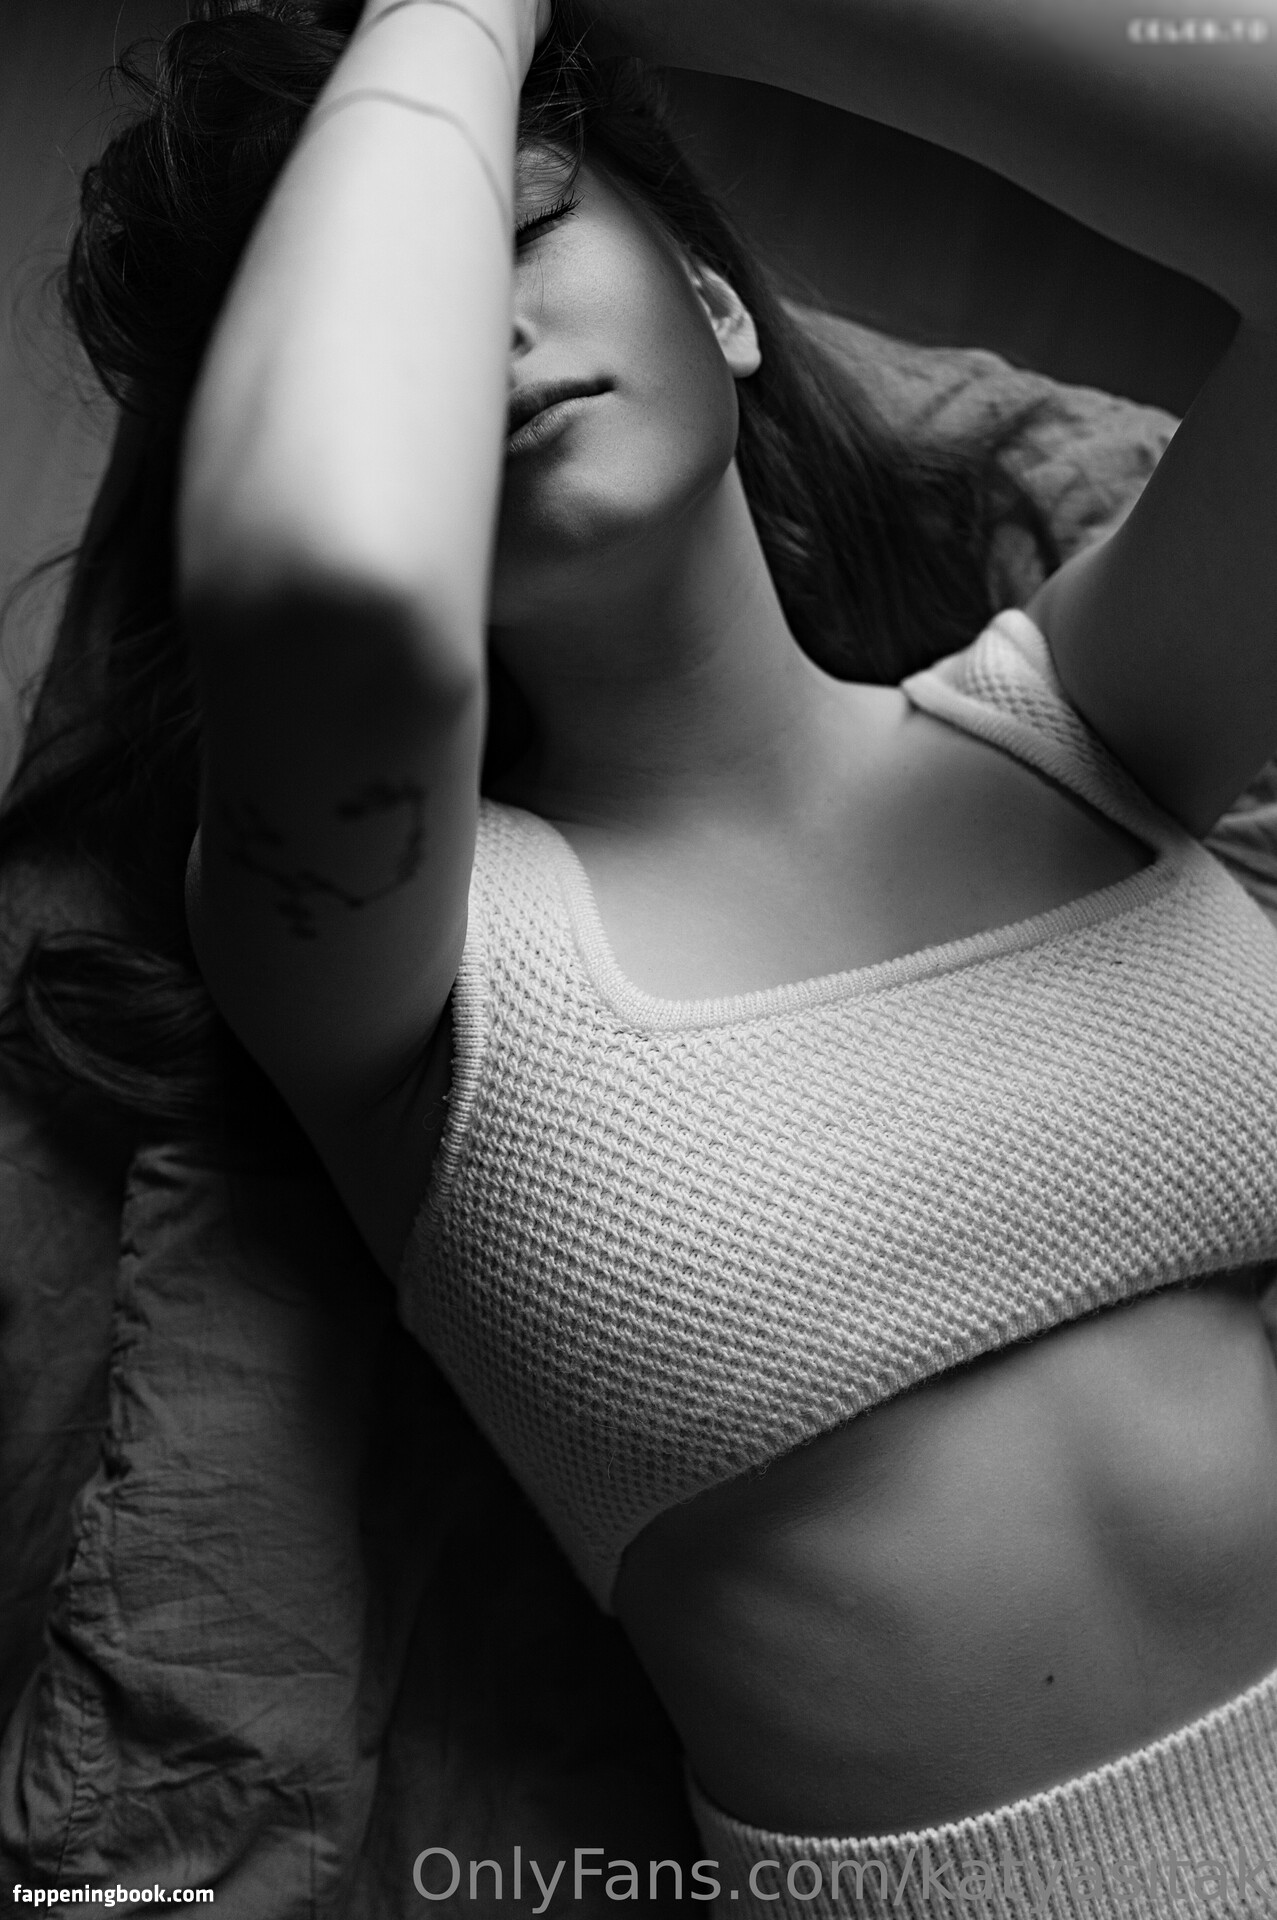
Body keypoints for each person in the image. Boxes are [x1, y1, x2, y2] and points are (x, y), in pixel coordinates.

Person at [8, 0, 1277, 1911]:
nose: (473, 330)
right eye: (404, 293)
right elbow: (333, 577)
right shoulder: (395, 962)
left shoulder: (1087, 731)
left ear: (717, 301)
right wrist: (453, 11)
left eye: (525, 227)